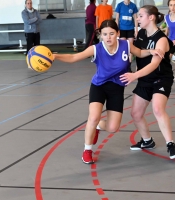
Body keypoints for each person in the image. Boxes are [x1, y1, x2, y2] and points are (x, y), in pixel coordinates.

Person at [54, 19, 164, 164]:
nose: (108, 37)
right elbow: (74, 57)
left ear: (118, 33)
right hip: (99, 86)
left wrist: (152, 51)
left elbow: (140, 53)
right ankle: (87, 150)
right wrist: (55, 56)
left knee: (112, 128)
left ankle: (99, 126)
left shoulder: (125, 45)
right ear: (101, 35)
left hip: (117, 88)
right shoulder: (96, 49)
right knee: (93, 117)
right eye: (105, 34)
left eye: (112, 33)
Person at [119, 5, 175, 159]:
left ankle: (171, 144)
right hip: (145, 79)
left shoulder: (161, 39)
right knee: (136, 113)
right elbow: (137, 52)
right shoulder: (140, 33)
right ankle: (147, 141)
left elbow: (154, 64)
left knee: (158, 109)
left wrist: (134, 76)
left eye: (140, 16)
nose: (137, 18)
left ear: (151, 17)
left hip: (161, 78)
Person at [115, 0, 138, 69]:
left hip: (130, 29)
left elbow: (135, 18)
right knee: (123, 47)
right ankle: (122, 65)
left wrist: (136, 29)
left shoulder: (133, 6)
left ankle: (129, 66)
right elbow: (117, 18)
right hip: (122, 29)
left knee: (130, 47)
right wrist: (117, 29)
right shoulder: (120, 5)